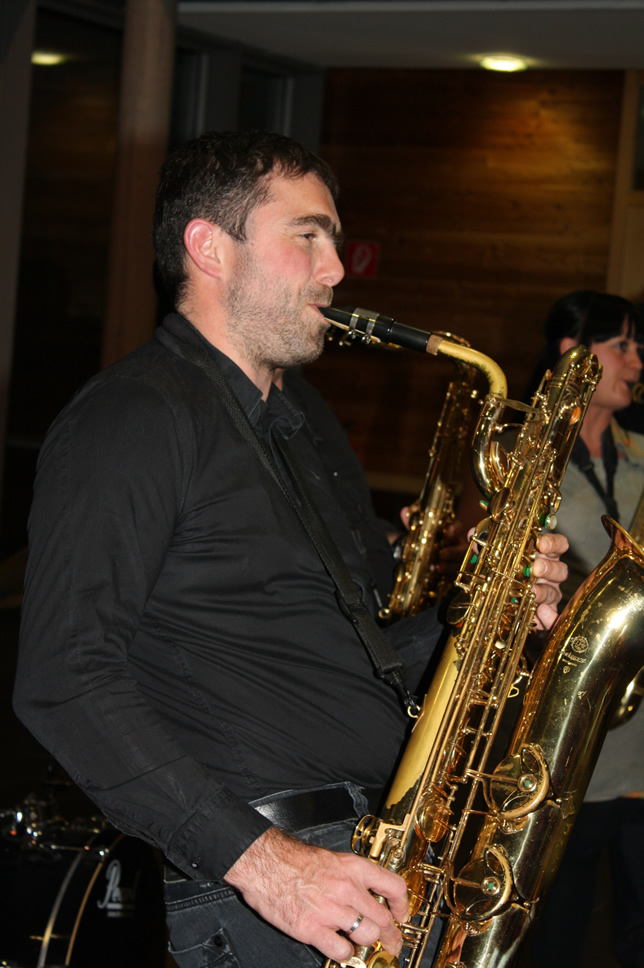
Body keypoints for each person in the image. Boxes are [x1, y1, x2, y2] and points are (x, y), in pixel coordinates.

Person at [13, 131, 568, 968]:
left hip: (378, 859)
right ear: (210, 248)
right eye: (307, 236)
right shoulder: (133, 415)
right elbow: (64, 676)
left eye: (333, 241)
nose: (336, 268)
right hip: (278, 889)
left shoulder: (304, 426)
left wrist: (484, 608)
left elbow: (349, 656)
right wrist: (265, 865)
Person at [522, 290, 644, 968]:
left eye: (638, 347)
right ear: (574, 353)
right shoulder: (527, 458)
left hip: (639, 746)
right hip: (571, 737)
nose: (637, 361)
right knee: (558, 933)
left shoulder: (643, 453)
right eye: (620, 345)